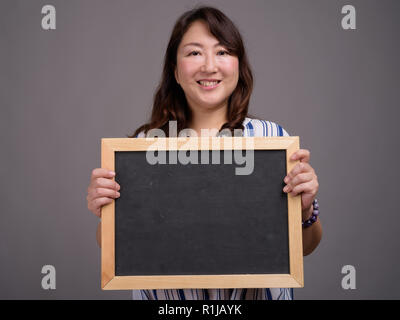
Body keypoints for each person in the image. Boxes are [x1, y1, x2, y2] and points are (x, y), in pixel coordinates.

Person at [86, 6, 322, 300]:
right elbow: (119, 248)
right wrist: (106, 210)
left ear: (238, 65)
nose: (209, 66)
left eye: (223, 52)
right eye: (194, 53)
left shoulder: (272, 140)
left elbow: (306, 247)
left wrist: (304, 210)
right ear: (175, 70)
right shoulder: (144, 145)